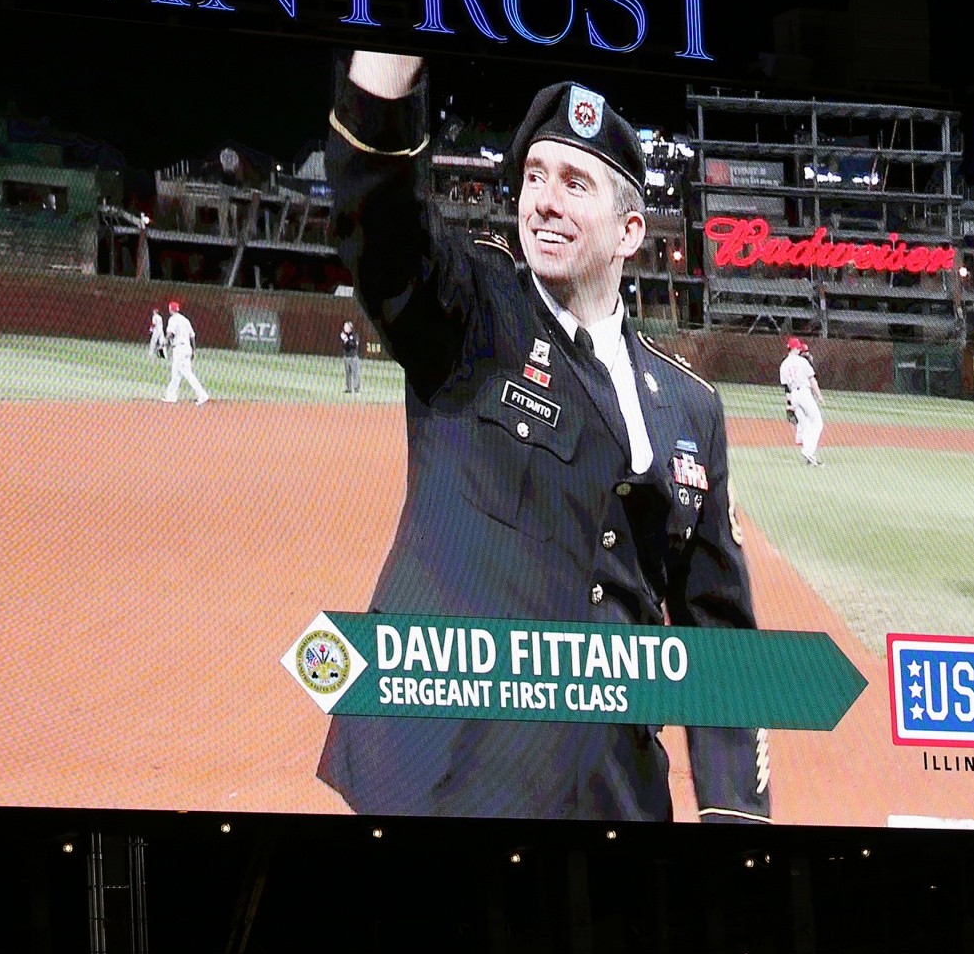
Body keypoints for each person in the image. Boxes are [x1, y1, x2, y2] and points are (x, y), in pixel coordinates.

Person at [316, 50, 768, 824]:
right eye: (534, 177)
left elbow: (718, 631)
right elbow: (383, 219)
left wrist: (735, 814)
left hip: (609, 794)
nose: (545, 202)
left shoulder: (691, 408)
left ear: (630, 230)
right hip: (444, 778)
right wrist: (385, 71)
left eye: (574, 182)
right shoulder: (473, 311)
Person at [779, 336, 825, 466]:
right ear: (795, 348)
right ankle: (809, 451)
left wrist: (789, 404)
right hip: (804, 393)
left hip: (794, 395)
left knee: (804, 424)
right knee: (817, 422)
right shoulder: (802, 361)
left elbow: (786, 386)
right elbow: (812, 380)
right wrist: (819, 395)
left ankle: (809, 455)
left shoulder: (784, 365)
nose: (799, 349)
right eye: (798, 347)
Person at [161, 301, 209, 405]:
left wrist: (164, 342)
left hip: (179, 349)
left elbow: (170, 333)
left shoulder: (173, 319)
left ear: (170, 309)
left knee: (187, 373)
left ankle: (202, 394)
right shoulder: (185, 320)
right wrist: (193, 350)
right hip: (187, 348)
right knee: (176, 373)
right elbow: (192, 336)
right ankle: (171, 396)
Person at [339, 320, 363, 393]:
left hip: (353, 357)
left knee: (355, 373)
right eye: (344, 326)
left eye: (346, 326)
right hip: (346, 357)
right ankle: (348, 388)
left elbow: (354, 345)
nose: (345, 328)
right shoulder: (343, 335)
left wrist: (347, 340)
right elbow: (344, 346)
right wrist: (344, 340)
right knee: (347, 374)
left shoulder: (354, 335)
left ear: (350, 327)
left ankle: (356, 388)